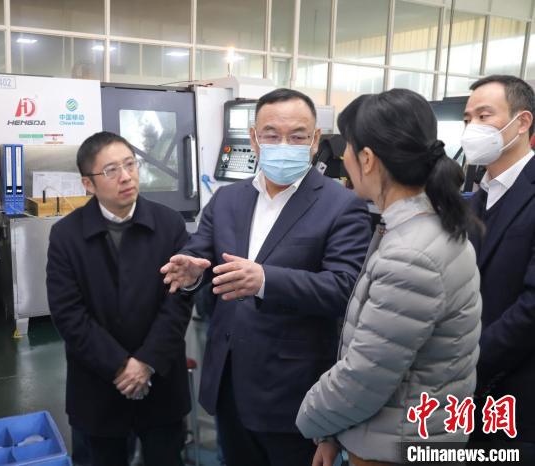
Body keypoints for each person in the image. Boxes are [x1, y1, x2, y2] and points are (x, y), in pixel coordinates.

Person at [161, 88, 371, 466]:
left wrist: (265, 281)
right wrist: (191, 273)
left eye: (297, 136)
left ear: (315, 140)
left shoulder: (342, 206)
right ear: (254, 139)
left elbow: (345, 287)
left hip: (294, 390)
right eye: (272, 135)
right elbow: (199, 252)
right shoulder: (227, 199)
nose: (283, 145)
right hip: (229, 382)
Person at [296, 89, 482, 466]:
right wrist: (334, 432)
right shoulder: (422, 225)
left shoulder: (411, 254)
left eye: (347, 150)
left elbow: (365, 377)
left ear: (367, 159)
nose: (343, 160)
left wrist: (308, 420)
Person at [46, 131, 192, 466]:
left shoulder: (169, 224)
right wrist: (121, 366)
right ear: (88, 183)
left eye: (130, 164)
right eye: (111, 170)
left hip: (160, 383)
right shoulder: (66, 235)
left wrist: (147, 362)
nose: (126, 176)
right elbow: (68, 314)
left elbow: (179, 302)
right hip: (97, 388)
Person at [462, 75, 535, 461]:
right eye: (468, 118)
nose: (472, 127)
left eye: (484, 115)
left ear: (522, 122)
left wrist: (468, 361)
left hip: (516, 397)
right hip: (461, 399)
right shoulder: (472, 200)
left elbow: (531, 308)